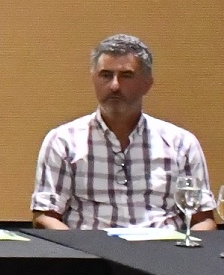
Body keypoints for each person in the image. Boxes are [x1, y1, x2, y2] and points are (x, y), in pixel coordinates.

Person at [32, 34, 215, 231]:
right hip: (91, 247)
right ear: (93, 80)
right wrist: (77, 248)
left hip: (163, 247)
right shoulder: (63, 141)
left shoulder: (181, 144)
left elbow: (203, 220)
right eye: (105, 75)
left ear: (147, 83)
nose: (114, 86)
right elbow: (45, 216)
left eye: (126, 76)